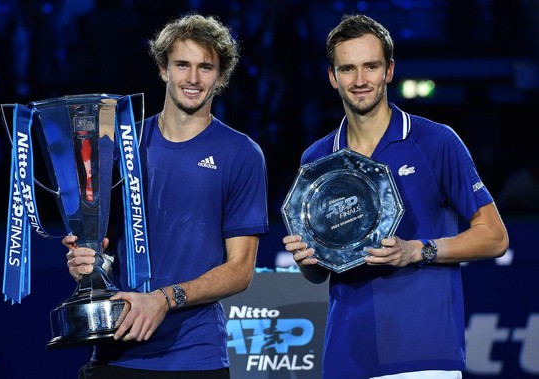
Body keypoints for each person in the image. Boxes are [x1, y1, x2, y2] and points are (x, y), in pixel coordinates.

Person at [282, 14, 509, 379]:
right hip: (346, 358)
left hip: (424, 357)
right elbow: (316, 274)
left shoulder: (436, 142)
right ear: (332, 77)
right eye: (348, 69)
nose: (359, 81)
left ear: (389, 70)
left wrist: (417, 250)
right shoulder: (317, 159)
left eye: (370, 67)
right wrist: (307, 258)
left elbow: (495, 236)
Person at [64, 13, 269, 378]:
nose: (192, 79)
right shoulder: (120, 146)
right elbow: (104, 250)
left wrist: (164, 299)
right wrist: (88, 264)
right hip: (116, 351)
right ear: (163, 69)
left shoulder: (241, 154)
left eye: (205, 67)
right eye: (182, 65)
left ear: (220, 76)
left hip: (195, 357)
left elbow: (240, 271)